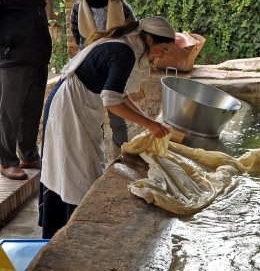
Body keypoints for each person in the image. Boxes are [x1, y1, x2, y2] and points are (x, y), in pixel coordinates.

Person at [38, 16, 175, 239]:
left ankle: (64, 229)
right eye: (164, 49)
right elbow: (111, 102)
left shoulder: (125, 45)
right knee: (76, 172)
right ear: (149, 39)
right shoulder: (124, 52)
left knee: (71, 168)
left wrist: (149, 124)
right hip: (71, 108)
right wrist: (149, 123)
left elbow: (118, 94)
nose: (163, 55)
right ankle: (73, 234)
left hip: (74, 104)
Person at [71, 0, 137, 147]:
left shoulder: (121, 6)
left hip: (113, 68)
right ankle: (96, 158)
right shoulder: (78, 7)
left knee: (117, 114)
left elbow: (133, 32)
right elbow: (78, 36)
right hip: (90, 69)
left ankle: (123, 154)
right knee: (93, 116)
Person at [0, 0, 52, 180]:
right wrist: (6, 46)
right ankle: (7, 162)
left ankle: (28, 156)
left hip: (38, 60)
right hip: (12, 62)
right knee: (9, 115)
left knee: (32, 112)